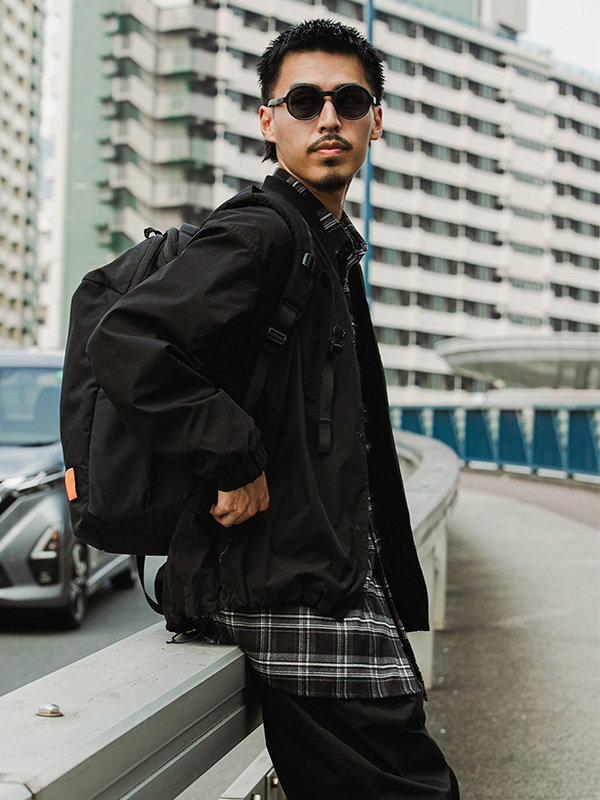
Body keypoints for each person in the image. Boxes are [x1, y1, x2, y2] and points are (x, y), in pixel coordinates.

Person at [88, 18, 459, 800]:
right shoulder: (263, 232)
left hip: (319, 578)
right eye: (303, 101)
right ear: (268, 120)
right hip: (286, 590)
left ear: (376, 120)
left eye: (349, 101)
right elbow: (127, 341)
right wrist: (233, 456)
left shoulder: (324, 244)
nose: (328, 118)